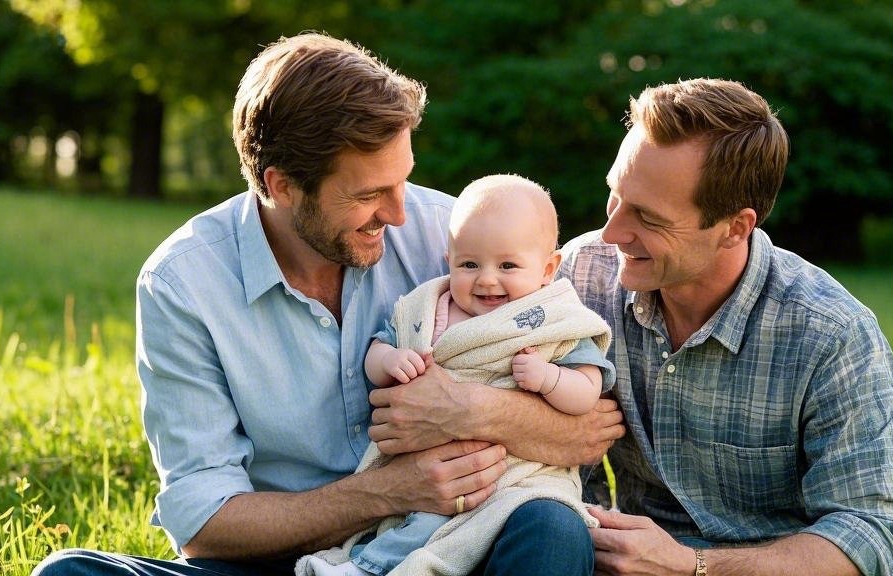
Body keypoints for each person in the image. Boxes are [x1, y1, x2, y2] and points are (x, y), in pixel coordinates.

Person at [32, 32, 623, 576]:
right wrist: (391, 490)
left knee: (553, 530)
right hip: (281, 562)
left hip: (448, 547)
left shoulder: (462, 238)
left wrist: (467, 411)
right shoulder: (184, 284)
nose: (397, 214)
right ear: (281, 185)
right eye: (368, 195)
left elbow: (589, 431)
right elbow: (203, 524)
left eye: (402, 181)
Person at [559, 78, 893, 576]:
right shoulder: (579, 276)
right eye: (614, 195)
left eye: (648, 217)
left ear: (736, 226)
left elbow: (878, 532)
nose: (612, 233)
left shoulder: (830, 333)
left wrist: (694, 566)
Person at [302, 174, 615, 576]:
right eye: (469, 264)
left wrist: (549, 379)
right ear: (449, 261)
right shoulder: (429, 308)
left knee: (544, 525)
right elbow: (379, 348)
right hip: (434, 473)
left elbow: (588, 392)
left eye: (507, 265)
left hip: (519, 480)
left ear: (547, 268)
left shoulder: (555, 319)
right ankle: (370, 566)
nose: (486, 278)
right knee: (419, 525)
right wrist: (389, 361)